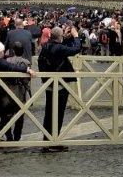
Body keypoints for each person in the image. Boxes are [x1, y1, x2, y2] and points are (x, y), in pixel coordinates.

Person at [37, 24, 81, 152]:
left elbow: (58, 46)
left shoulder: (45, 46)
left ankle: (46, 141)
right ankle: (54, 142)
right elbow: (76, 49)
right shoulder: (59, 48)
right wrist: (76, 36)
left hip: (49, 84)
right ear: (60, 37)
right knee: (58, 114)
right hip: (60, 85)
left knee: (49, 113)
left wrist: (64, 36)